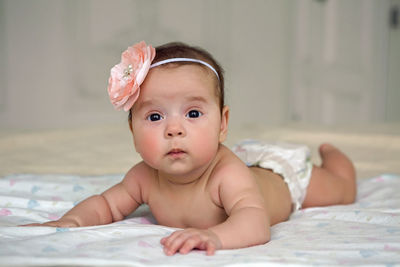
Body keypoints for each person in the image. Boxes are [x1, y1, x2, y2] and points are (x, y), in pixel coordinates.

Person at [25, 41, 356, 256]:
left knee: (339, 191)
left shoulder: (226, 174)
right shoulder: (144, 177)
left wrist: (214, 237)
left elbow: (255, 223)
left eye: (193, 113)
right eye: (155, 116)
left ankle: (336, 161)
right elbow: (105, 206)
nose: (174, 129)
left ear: (222, 124)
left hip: (281, 178)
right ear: (132, 131)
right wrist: (71, 222)